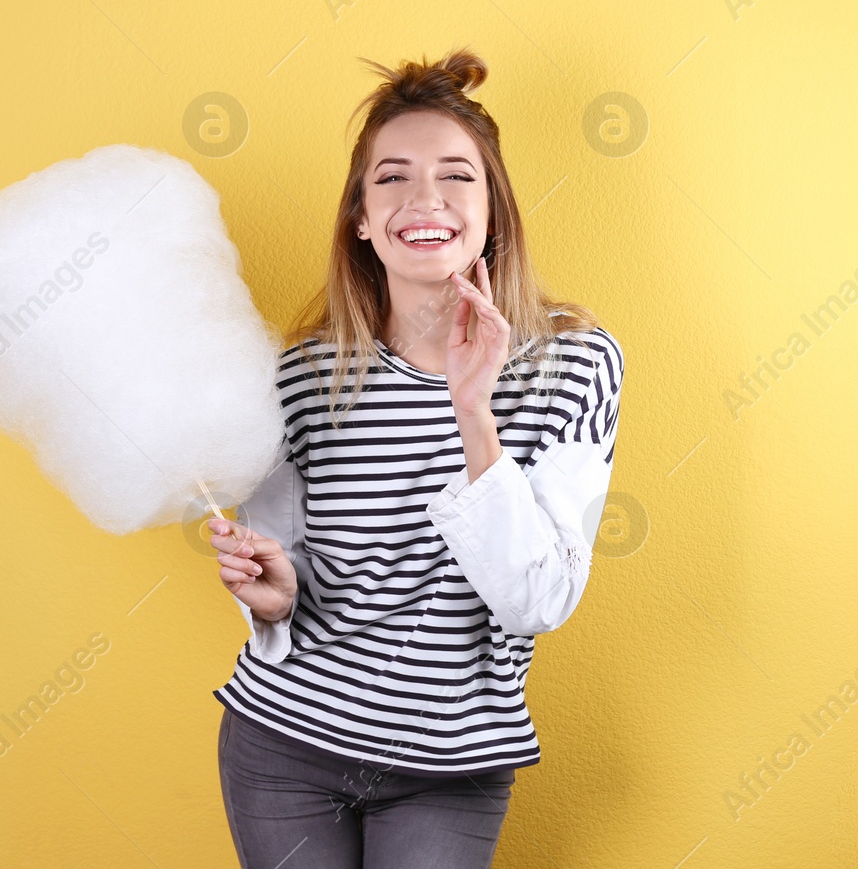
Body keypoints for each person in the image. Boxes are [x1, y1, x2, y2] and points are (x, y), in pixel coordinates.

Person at [207, 47, 624, 868]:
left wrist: (475, 409)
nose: (424, 198)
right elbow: (285, 581)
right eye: (392, 177)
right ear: (360, 218)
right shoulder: (298, 379)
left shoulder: (574, 362)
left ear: (494, 211)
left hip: (452, 763)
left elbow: (537, 599)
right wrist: (273, 595)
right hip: (284, 741)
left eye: (456, 176)